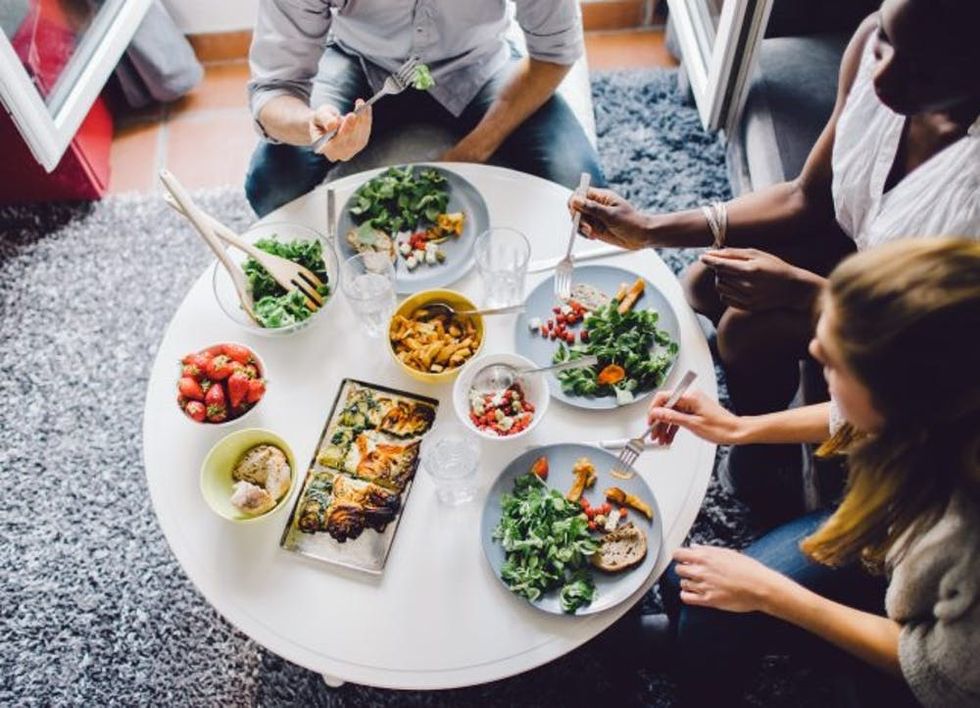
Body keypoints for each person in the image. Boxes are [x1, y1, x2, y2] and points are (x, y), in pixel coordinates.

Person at [569, 0, 980, 517]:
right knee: (701, 283)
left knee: (744, 332)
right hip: (858, 251)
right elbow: (806, 196)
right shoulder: (870, 50)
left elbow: (946, 349)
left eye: (921, 68)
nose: (884, 73)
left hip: (918, 336)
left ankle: (767, 463)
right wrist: (649, 227)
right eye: (887, 39)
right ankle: (759, 402)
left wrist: (799, 291)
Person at [636, 238, 980, 706]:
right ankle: (689, 647)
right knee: (687, 585)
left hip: (924, 644)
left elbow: (939, 674)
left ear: (901, 397)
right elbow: (854, 414)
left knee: (711, 608)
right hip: (897, 545)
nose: (813, 349)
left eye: (832, 363)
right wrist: (740, 428)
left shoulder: (968, 542)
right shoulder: (950, 400)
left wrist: (769, 592)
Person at [245, 0, 605, 217]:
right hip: (361, 60)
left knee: (576, 179)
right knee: (272, 183)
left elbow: (555, 51)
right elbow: (274, 90)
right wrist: (312, 126)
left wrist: (472, 151)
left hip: (476, 63)